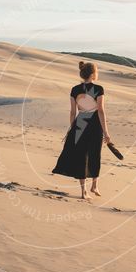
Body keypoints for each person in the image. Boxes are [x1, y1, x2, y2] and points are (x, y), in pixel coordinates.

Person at [52, 61, 111, 199]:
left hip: (80, 123)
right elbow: (101, 111)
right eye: (97, 71)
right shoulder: (99, 89)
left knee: (81, 156)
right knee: (95, 155)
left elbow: (73, 112)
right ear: (92, 74)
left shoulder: (74, 89)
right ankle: (94, 185)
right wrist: (106, 133)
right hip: (95, 124)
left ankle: (84, 190)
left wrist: (73, 128)